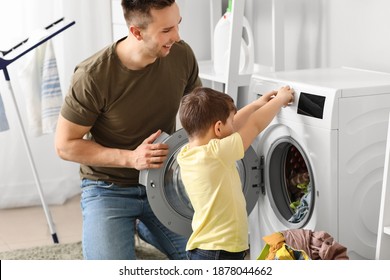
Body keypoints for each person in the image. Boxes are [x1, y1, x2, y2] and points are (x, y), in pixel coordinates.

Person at [55, 0, 201, 260]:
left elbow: (201, 112)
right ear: (136, 32)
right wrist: (131, 158)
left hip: (163, 182)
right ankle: (130, 223)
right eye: (166, 30)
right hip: (107, 188)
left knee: (209, 260)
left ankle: (144, 226)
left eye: (178, 25)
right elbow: (65, 145)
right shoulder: (93, 76)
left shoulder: (181, 54)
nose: (177, 37)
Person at [177, 86, 294, 260]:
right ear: (217, 129)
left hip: (206, 248)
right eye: (230, 121)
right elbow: (254, 125)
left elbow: (229, 127)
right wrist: (280, 100)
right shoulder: (216, 153)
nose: (234, 126)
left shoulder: (188, 153)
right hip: (220, 252)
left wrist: (256, 104)